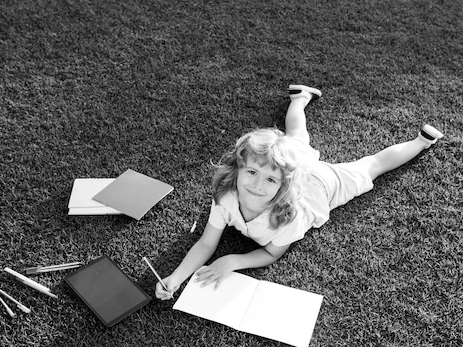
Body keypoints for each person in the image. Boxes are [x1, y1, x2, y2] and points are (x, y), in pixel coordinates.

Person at [155, 84, 443, 299]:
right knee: (295, 138)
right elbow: (206, 244)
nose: (256, 185)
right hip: (291, 166)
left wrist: (234, 261)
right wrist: (176, 277)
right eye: (252, 173)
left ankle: (421, 142)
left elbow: (270, 253)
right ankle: (301, 97)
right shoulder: (226, 197)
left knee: (372, 166)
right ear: (237, 169)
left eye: (269, 180)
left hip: (321, 184)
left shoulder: (287, 217)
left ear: (282, 185)